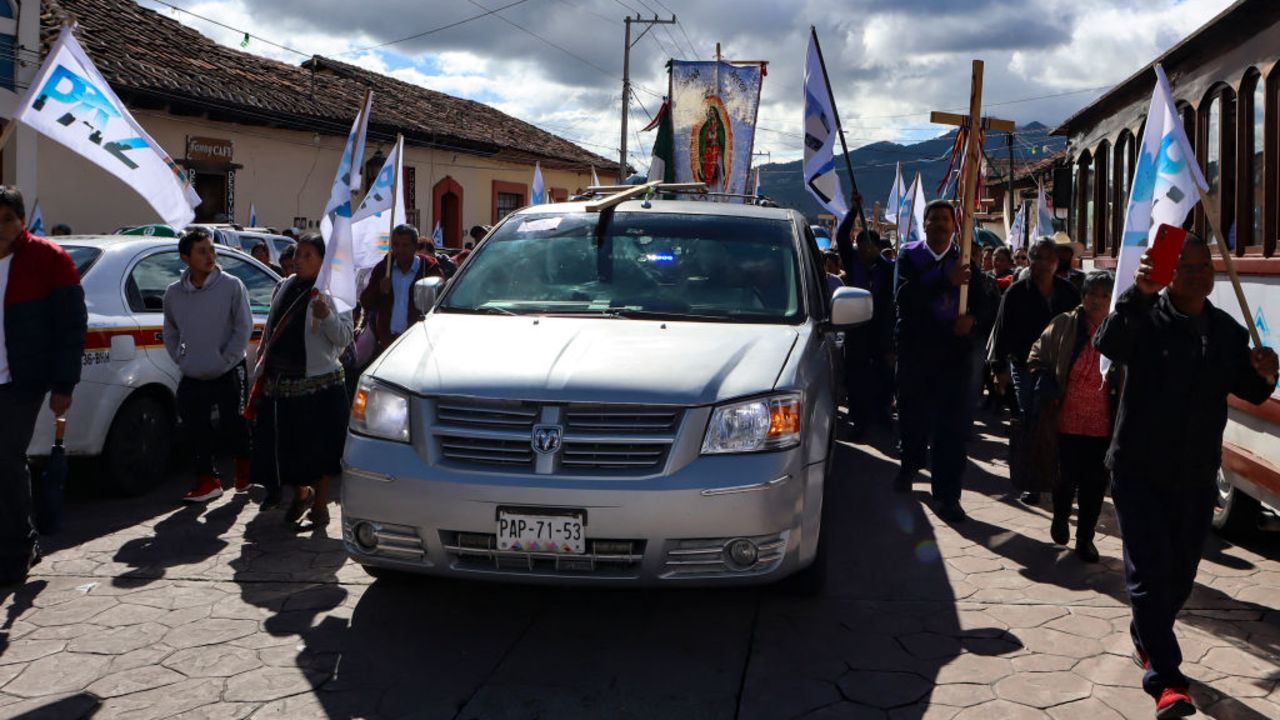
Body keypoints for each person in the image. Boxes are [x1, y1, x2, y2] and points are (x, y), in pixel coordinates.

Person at [1095, 236, 1277, 716]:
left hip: (1195, 476)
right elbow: (1107, 343)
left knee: (1180, 576)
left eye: (1204, 266)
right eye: (1186, 266)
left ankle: (1146, 635)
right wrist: (1139, 293)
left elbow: (1252, 391)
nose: (1196, 274)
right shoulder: (1144, 318)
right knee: (1151, 575)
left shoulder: (1226, 332)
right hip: (1139, 471)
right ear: (1169, 273)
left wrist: (1267, 373)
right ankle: (1166, 681)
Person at [0, 186, 86, 584]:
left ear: (21, 220)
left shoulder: (49, 259)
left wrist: (63, 383)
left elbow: (71, 327)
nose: (1, 229)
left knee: (7, 459)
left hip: (23, 380)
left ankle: (20, 546)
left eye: (7, 220)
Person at [893, 200, 993, 522]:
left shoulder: (963, 262)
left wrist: (973, 321)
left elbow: (987, 304)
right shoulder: (909, 256)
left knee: (951, 431)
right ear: (924, 224)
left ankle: (949, 495)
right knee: (914, 421)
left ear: (954, 226)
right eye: (933, 218)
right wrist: (944, 282)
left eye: (945, 219)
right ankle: (910, 465)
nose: (939, 224)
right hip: (916, 357)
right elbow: (903, 299)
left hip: (954, 361)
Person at [249, 233, 354, 527]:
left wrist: (328, 316)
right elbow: (271, 330)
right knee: (288, 449)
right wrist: (262, 365)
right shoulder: (284, 287)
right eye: (298, 254)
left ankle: (320, 506)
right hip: (281, 382)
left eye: (308, 255)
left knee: (321, 450)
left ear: (323, 261)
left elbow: (344, 338)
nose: (299, 260)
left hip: (319, 383)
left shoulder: (336, 292)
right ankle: (302, 493)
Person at [1027, 270, 1119, 562]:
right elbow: (1036, 354)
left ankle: (1085, 538)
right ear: (1084, 296)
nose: (1098, 301)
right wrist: (1044, 378)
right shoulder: (1065, 324)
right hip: (1066, 416)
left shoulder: (1120, 330)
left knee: (1094, 482)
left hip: (1103, 421)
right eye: (1092, 294)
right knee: (1065, 476)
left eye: (1105, 295)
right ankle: (1061, 516)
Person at [988, 237, 1081, 505]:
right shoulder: (1016, 292)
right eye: (1037, 258)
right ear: (1029, 260)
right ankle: (1032, 482)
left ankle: (1060, 477)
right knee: (1030, 420)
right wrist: (999, 369)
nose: (1042, 264)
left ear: (1056, 262)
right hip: (1024, 365)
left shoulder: (1068, 292)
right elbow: (1002, 332)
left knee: (1060, 422)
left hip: (1059, 367)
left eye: (1048, 258)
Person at [163, 229, 254, 503]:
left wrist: (226, 358)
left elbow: (243, 327)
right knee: (194, 426)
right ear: (185, 258)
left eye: (211, 249)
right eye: (201, 251)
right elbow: (170, 331)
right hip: (193, 372)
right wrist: (182, 358)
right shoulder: (174, 293)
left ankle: (244, 470)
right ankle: (208, 479)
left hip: (229, 370)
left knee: (234, 424)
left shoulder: (232, 285)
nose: (210, 256)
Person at [834, 214, 896, 435]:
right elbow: (841, 236)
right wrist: (852, 212)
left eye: (868, 248)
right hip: (857, 329)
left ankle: (882, 413)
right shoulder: (853, 264)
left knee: (883, 376)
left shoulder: (888, 269)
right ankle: (860, 421)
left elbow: (890, 275)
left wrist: (877, 256)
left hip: (882, 332)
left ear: (878, 248)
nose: (864, 253)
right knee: (857, 378)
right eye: (860, 248)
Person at [358, 224, 443, 353]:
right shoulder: (383, 268)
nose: (400, 250)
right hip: (387, 343)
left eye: (405, 245)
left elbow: (440, 304)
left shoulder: (429, 269)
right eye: (396, 245)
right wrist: (379, 289)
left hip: (419, 341)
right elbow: (366, 302)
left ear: (415, 246)